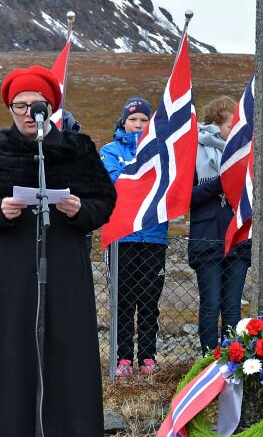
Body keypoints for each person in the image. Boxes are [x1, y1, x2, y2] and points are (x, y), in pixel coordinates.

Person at [0, 66, 116, 436]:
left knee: (65, 353)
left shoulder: (77, 150)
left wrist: (80, 211)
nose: (29, 113)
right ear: (10, 109)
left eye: (37, 105)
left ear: (51, 107)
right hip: (7, 276)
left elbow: (104, 202)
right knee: (8, 355)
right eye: (21, 106)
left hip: (63, 273)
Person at [100, 97, 168, 376]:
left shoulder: (161, 150)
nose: (138, 125)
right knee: (124, 300)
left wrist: (140, 178)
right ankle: (123, 358)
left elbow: (164, 181)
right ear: (123, 122)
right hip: (122, 236)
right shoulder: (109, 150)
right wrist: (143, 178)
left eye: (143, 120)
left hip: (154, 236)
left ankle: (148, 357)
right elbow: (116, 183)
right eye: (133, 120)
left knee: (150, 300)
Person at [189, 96, 251, 355]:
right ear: (215, 124)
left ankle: (232, 362)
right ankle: (208, 362)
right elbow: (187, 198)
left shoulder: (246, 153)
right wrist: (222, 180)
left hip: (238, 237)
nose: (234, 131)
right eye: (230, 126)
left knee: (233, 306)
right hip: (207, 237)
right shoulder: (193, 151)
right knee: (211, 304)